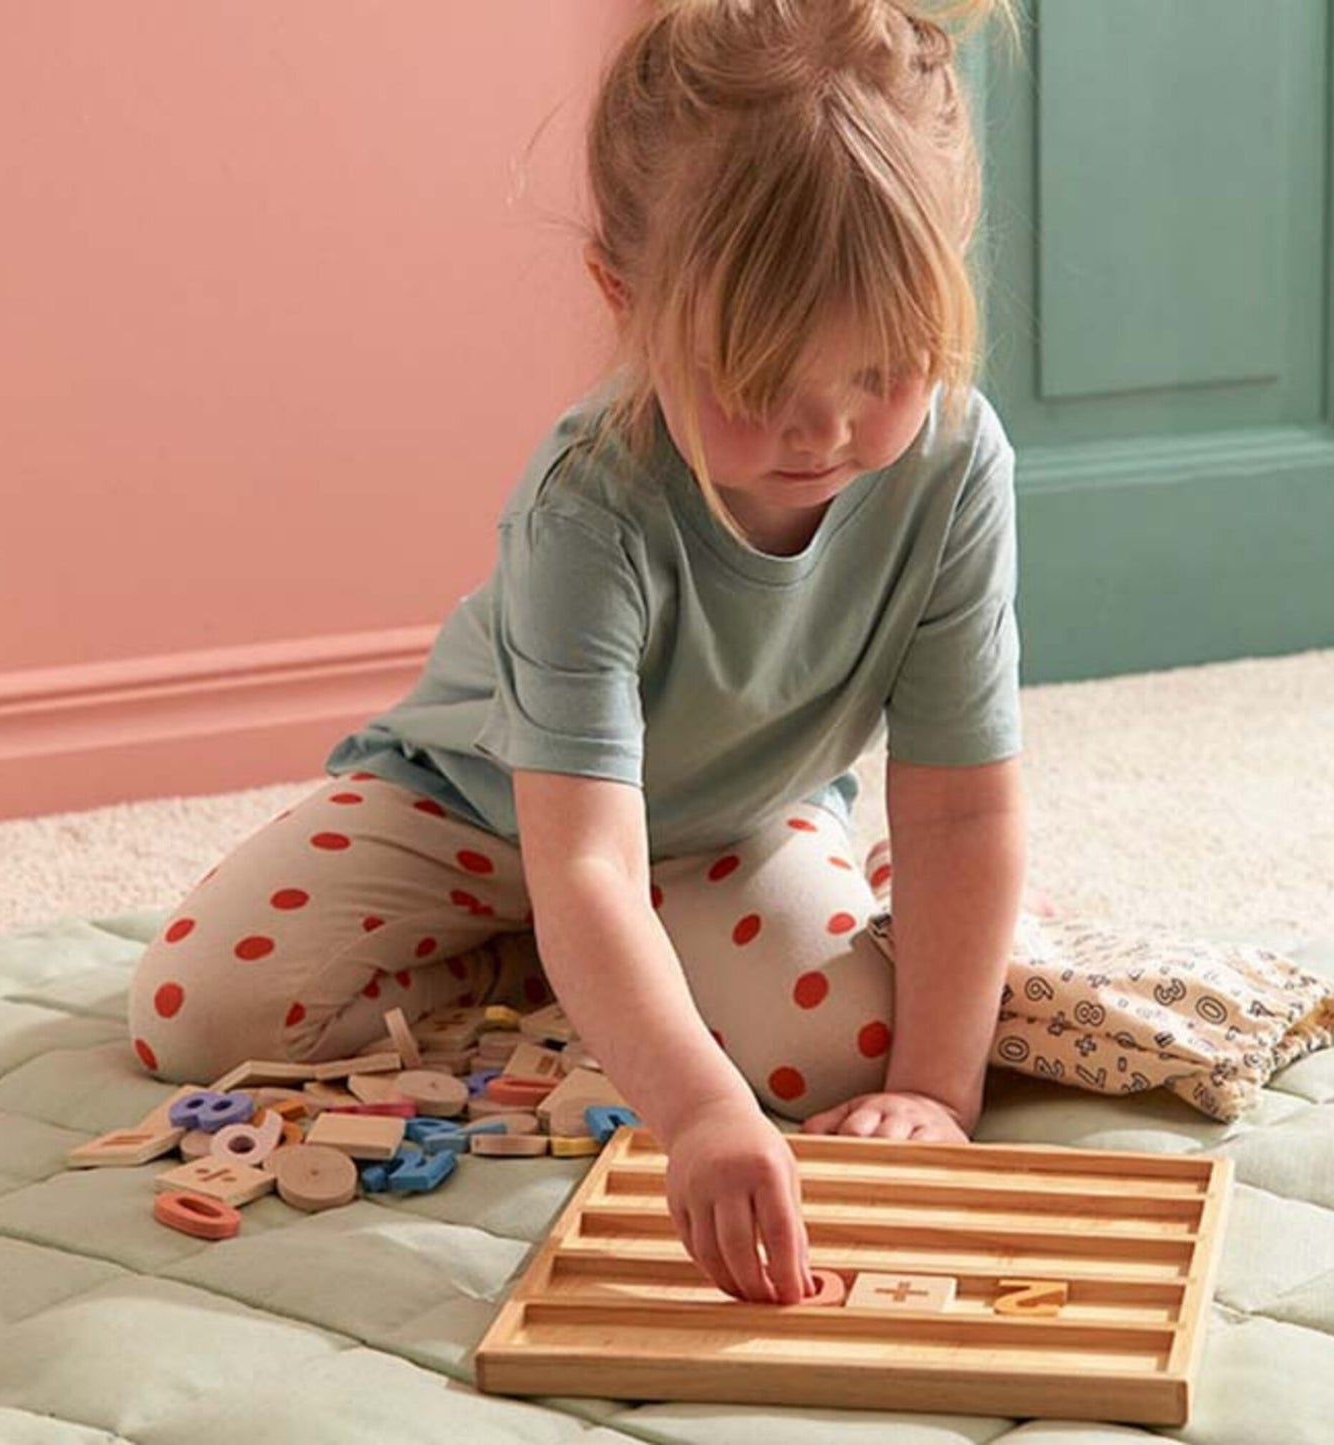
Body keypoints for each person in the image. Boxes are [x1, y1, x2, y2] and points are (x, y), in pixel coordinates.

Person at [128, 0, 1030, 1307]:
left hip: (735, 817)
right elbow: (584, 859)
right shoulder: (588, 501)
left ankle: (626, 966)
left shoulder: (954, 462)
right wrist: (701, 1115)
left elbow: (958, 802)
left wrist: (937, 1092)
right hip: (478, 805)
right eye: (756, 378)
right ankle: (567, 962)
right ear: (625, 298)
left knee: (853, 1054)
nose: (825, 428)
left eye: (883, 367)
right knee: (193, 1015)